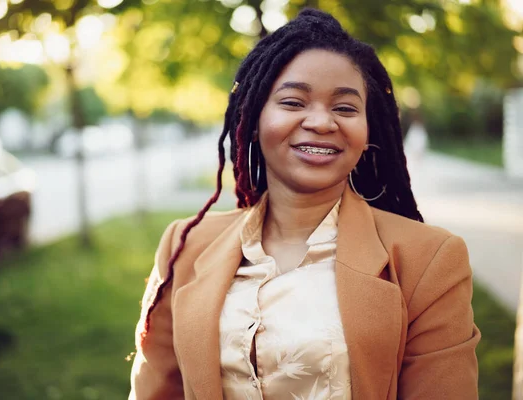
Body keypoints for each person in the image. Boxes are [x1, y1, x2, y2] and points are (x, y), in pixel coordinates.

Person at [129, 9, 480, 400]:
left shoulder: (429, 259)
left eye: (345, 108)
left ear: (368, 132)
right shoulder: (184, 245)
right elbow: (156, 389)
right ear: (253, 118)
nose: (321, 122)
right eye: (293, 102)